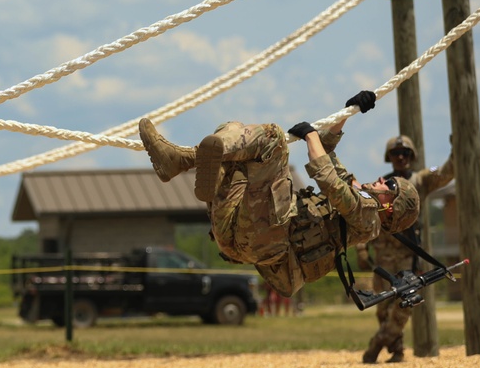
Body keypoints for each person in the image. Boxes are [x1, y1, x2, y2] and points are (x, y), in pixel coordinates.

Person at [137, 90, 420, 305]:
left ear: (391, 210)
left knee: (272, 139)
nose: (384, 179)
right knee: (235, 135)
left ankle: (185, 161)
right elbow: (330, 154)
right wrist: (350, 110)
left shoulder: (369, 220)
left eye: (391, 185)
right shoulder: (360, 197)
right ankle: (181, 161)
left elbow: (329, 181)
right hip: (238, 231)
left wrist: (310, 137)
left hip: (267, 240)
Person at [355, 134, 454, 364]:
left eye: (405, 153)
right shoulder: (381, 184)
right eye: (396, 154)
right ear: (389, 157)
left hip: (407, 256)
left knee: (403, 305)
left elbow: (447, 172)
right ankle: (397, 349)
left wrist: (456, 150)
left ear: (412, 156)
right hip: (382, 254)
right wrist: (361, 248)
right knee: (382, 308)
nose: (401, 157)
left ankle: (378, 343)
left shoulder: (420, 181)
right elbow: (366, 215)